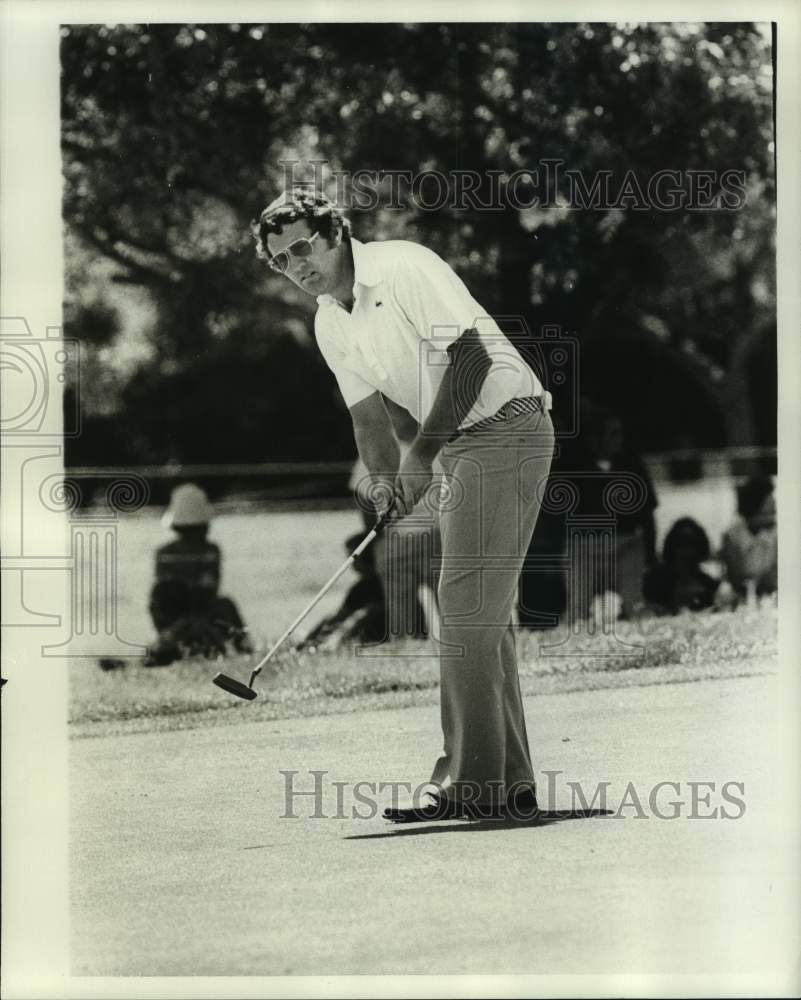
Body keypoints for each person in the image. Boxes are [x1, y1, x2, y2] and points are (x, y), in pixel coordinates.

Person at [253, 187, 554, 821]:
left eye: (304, 246)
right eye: (281, 260)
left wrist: (421, 458)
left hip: (508, 425)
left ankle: (469, 785)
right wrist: (387, 485)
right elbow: (367, 420)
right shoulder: (329, 322)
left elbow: (469, 358)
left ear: (335, 233)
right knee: (484, 614)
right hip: (464, 444)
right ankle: (509, 780)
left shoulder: (403, 266)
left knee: (466, 603)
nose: (297, 265)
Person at [145, 483, 252, 666]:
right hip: (176, 618)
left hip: (202, 613)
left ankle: (244, 648)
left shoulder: (209, 551)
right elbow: (162, 597)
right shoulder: (167, 553)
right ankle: (173, 645)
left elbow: (209, 592)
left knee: (225, 605)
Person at [643, 516, 719, 615]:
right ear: (672, 545)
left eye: (691, 543)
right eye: (680, 543)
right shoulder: (655, 581)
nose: (685, 550)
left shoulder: (708, 584)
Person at [720, 476, 778, 601]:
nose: (774, 502)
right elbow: (734, 577)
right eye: (769, 498)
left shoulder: (777, 534)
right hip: (743, 598)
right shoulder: (732, 536)